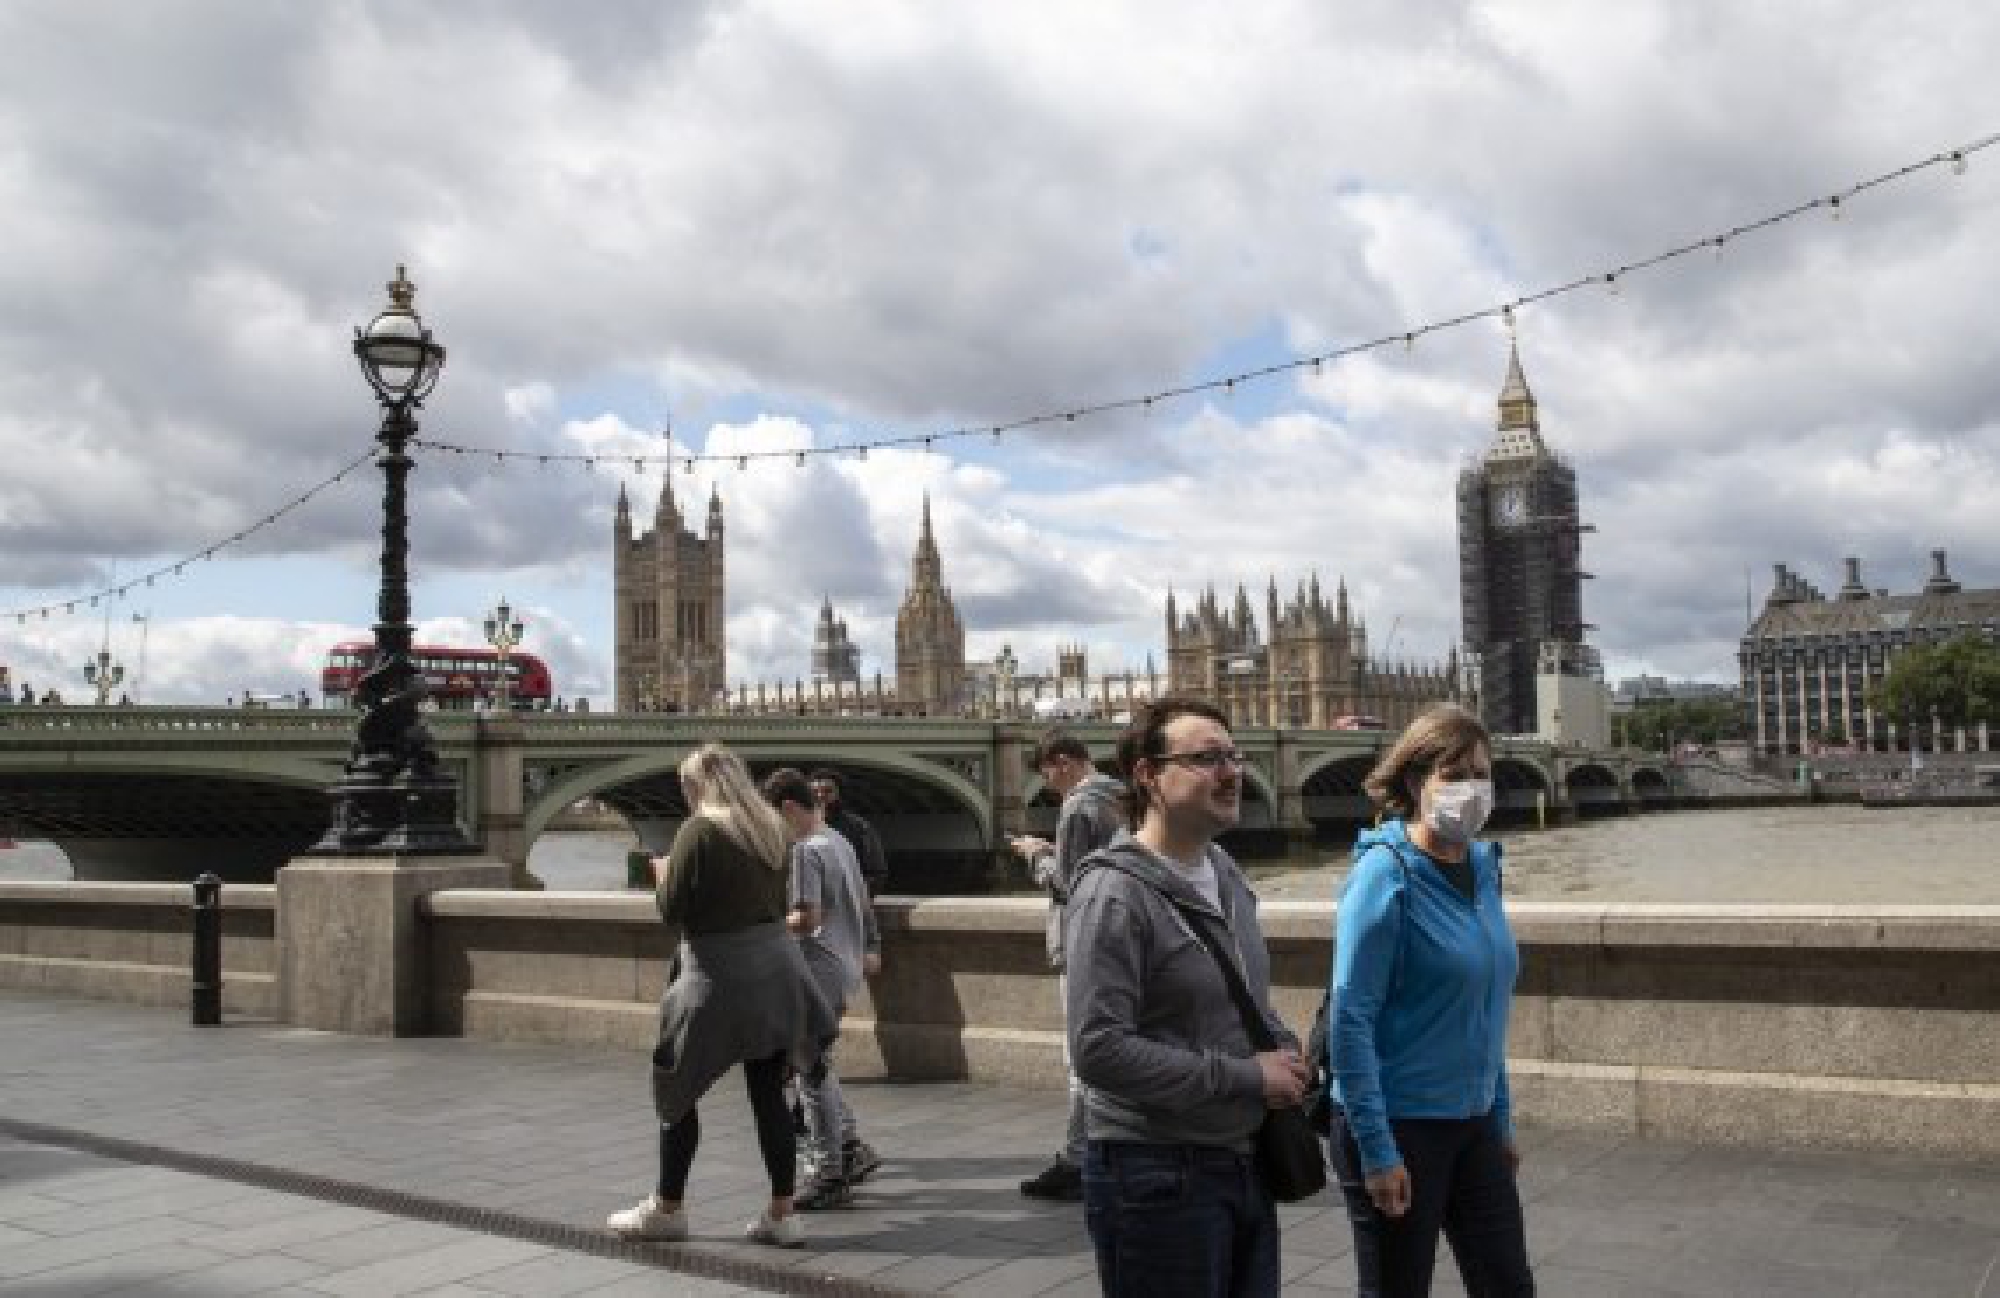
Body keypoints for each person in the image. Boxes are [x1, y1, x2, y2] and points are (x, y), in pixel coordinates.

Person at [1066, 698, 1307, 1297]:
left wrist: (1281, 1045)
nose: (1231, 772)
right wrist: (1246, 1077)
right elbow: (1098, 1049)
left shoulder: (1225, 873)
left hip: (1241, 1158)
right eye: (1206, 759)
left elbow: (1244, 997)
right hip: (1155, 1173)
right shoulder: (1113, 894)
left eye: (1233, 756)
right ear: (1147, 775)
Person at [1328, 702, 1533, 1296]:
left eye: (1482, 773)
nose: (1473, 788)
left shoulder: (1484, 867)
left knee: (1508, 1285)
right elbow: (1351, 1019)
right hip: (1399, 1121)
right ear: (1417, 783)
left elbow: (1487, 1010)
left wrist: (1500, 1116)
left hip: (1473, 1122)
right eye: (1455, 773)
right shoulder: (1384, 874)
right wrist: (1376, 1148)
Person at [606, 743, 836, 1250]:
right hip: (777, 974)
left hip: (715, 975)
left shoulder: (700, 831)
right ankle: (782, 1213)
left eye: (688, 788)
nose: (687, 798)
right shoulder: (773, 829)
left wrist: (663, 874)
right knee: (769, 1095)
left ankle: (668, 1209)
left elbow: (670, 909)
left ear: (699, 786)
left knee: (676, 1091)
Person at [1010, 729, 1125, 1202]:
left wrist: (1037, 855)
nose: (1049, 785)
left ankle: (1081, 1159)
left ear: (1062, 763)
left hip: (1085, 941)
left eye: (1046, 775)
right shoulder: (1120, 797)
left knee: (1082, 1055)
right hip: (1118, 935)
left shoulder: (1079, 806)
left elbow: (1070, 884)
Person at [766, 766, 883, 1210]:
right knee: (817, 1063)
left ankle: (828, 1171)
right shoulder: (840, 841)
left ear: (790, 808)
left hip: (818, 968)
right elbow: (862, 904)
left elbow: (807, 919)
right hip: (846, 963)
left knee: (809, 1069)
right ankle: (850, 1146)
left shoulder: (805, 852)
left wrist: (767, 928)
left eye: (777, 817)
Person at [808, 769, 890, 895]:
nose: (820, 796)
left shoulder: (859, 828)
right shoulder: (801, 828)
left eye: (827, 791)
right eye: (814, 792)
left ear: (839, 794)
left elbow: (876, 872)